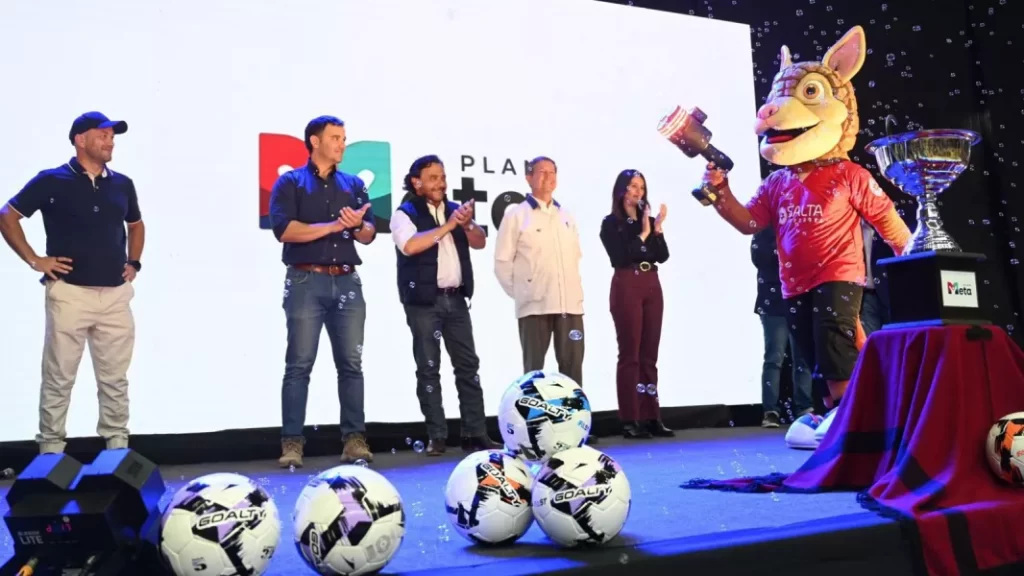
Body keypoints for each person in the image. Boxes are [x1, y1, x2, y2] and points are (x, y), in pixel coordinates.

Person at [697, 26, 911, 449]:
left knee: (835, 340)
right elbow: (749, 222)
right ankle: (833, 412)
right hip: (794, 282)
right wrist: (720, 192)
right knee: (810, 351)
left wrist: (918, 261)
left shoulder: (850, 174)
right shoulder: (777, 183)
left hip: (839, 275)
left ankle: (851, 415)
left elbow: (888, 221)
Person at [0, 111, 143, 454]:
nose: (110, 141)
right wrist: (35, 259)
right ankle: (51, 449)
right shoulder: (51, 180)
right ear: (80, 139)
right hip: (69, 294)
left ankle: (117, 447)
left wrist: (134, 262)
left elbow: (136, 224)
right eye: (103, 135)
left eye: (112, 136)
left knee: (115, 377)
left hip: (114, 295)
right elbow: (7, 215)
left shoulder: (122, 184)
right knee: (59, 375)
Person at [268, 115, 376, 468]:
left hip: (347, 279)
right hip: (305, 281)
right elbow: (285, 230)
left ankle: (354, 440)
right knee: (299, 364)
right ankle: (292, 443)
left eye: (344, 138)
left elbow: (369, 234)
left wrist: (357, 226)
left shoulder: (353, 184)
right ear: (315, 141)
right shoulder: (290, 182)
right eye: (336, 138)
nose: (342, 144)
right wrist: (332, 226)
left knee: (351, 364)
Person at [390, 155, 501, 456]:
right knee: (429, 369)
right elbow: (410, 245)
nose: (441, 183)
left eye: (442, 177)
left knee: (468, 366)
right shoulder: (404, 213)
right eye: (433, 178)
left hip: (456, 299)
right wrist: (450, 225)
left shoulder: (455, 211)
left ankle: (475, 433)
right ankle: (436, 435)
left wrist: (467, 224)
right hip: (423, 303)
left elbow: (479, 242)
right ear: (417, 182)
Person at [494, 157, 596, 443]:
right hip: (534, 307)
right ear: (528, 177)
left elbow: (575, 258)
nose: (548, 177)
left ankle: (576, 428)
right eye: (541, 172)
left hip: (570, 306)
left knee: (572, 370)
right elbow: (502, 262)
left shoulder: (566, 216)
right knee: (534, 374)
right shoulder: (516, 215)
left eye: (552, 172)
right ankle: (533, 434)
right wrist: (523, 294)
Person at [598, 169, 673, 439]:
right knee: (630, 354)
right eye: (632, 186)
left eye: (641, 187)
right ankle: (631, 418)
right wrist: (643, 234)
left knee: (649, 355)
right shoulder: (611, 223)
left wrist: (657, 229)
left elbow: (662, 255)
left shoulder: (648, 221)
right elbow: (620, 256)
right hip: (627, 282)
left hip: (651, 282)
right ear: (621, 190)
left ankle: (652, 415)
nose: (638, 191)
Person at [751, 227, 814, 428]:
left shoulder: (798, 226)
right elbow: (760, 258)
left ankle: (804, 408)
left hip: (799, 299)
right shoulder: (763, 229)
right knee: (774, 357)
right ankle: (770, 411)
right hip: (773, 301)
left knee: (802, 358)